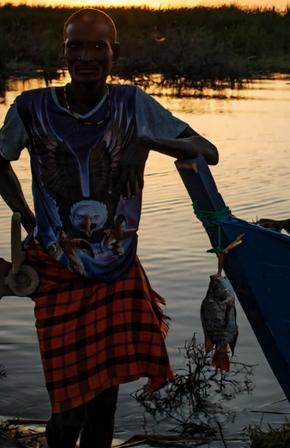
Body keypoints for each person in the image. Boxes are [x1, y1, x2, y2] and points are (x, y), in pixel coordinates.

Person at [0, 9, 217, 448]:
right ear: (63, 52)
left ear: (113, 53)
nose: (86, 55)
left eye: (98, 46)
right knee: (66, 413)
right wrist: (23, 209)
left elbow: (205, 150)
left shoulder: (132, 104)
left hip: (117, 273)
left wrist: (147, 142)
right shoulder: (31, 107)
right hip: (59, 275)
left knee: (103, 407)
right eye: (75, 45)